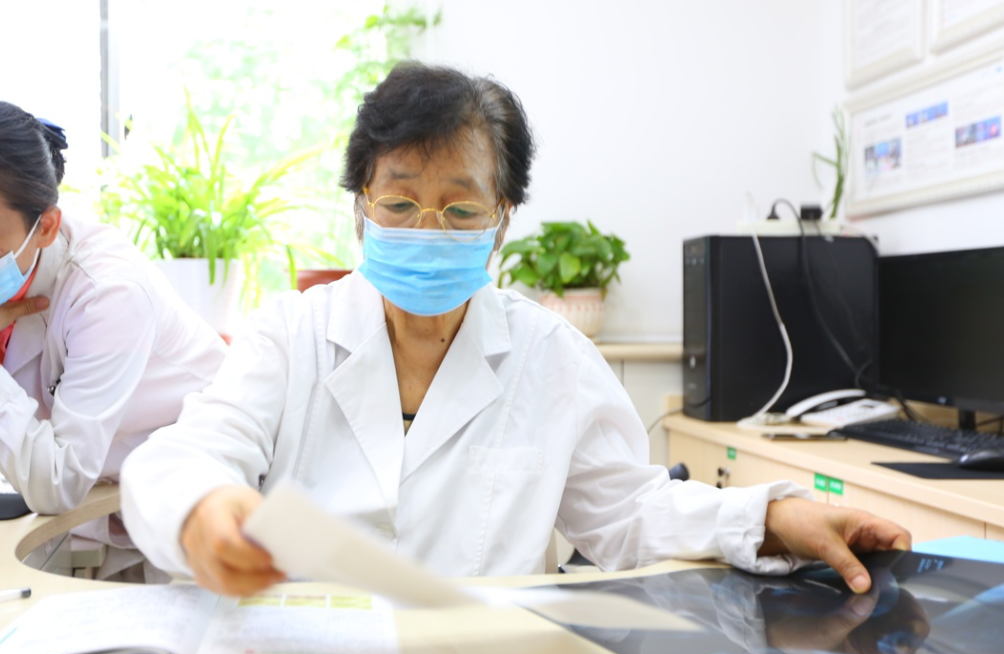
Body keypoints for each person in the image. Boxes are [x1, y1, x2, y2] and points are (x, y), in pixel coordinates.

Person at [120, 62, 910, 596]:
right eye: (399, 202)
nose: (428, 227)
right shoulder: (291, 334)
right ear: (360, 205)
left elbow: (627, 511)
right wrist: (202, 507)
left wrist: (767, 517)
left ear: (502, 220)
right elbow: (184, 455)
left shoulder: (549, 354)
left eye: (461, 207)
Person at [0, 102, 227, 550]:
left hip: (200, 510)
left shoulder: (108, 293)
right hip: (105, 508)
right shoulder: (20, 274)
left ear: (46, 228)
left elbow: (59, 481)